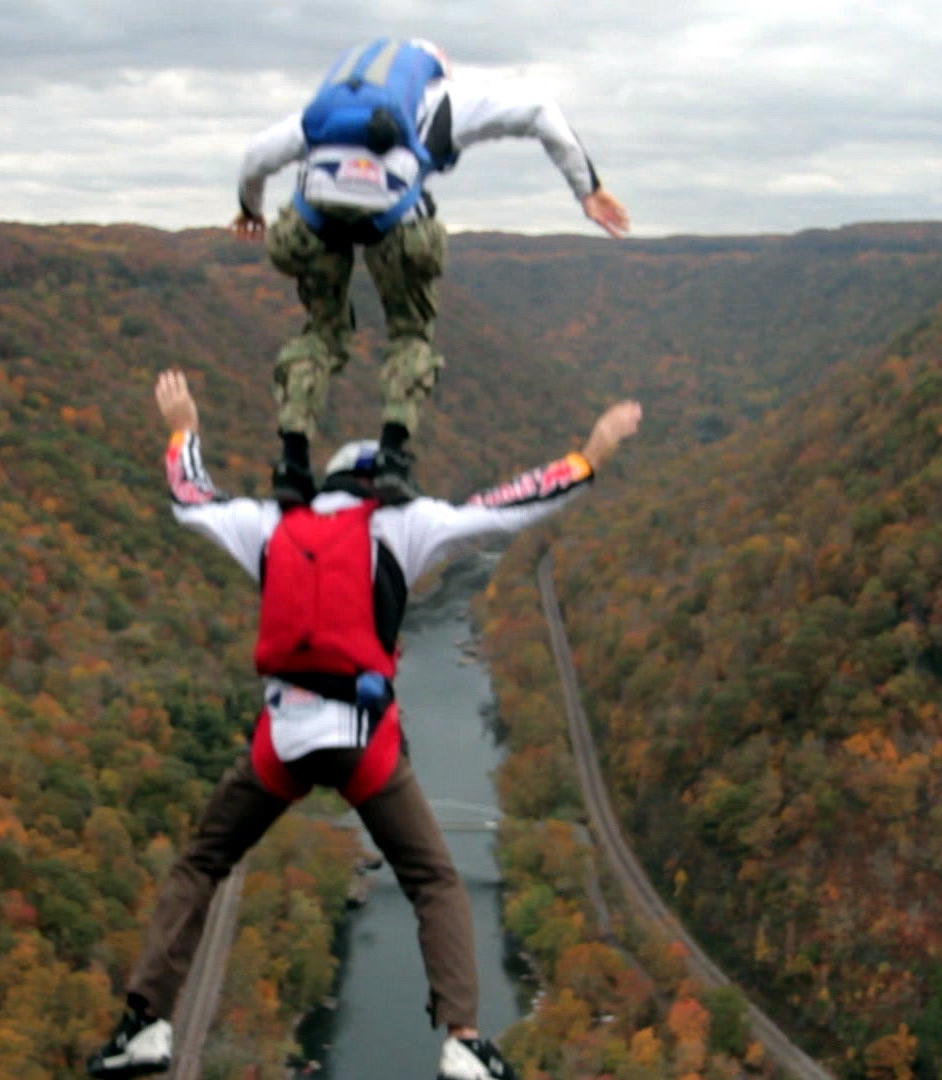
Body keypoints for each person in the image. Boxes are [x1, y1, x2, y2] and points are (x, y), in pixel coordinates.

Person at [86, 369, 642, 1080]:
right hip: (362, 744)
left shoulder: (270, 524)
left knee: (203, 860)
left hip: (282, 742)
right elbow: (504, 508)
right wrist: (592, 454)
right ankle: (463, 1039)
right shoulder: (404, 526)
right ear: (382, 484)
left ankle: (146, 1023)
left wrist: (183, 429)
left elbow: (191, 500)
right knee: (435, 879)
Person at [232, 37, 631, 507]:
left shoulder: (329, 113)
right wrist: (589, 189)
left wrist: (249, 208)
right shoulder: (443, 101)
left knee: (320, 334)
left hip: (312, 220)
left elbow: (256, 155)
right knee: (409, 336)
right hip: (396, 221)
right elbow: (539, 111)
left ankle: (292, 464)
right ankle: (394, 459)